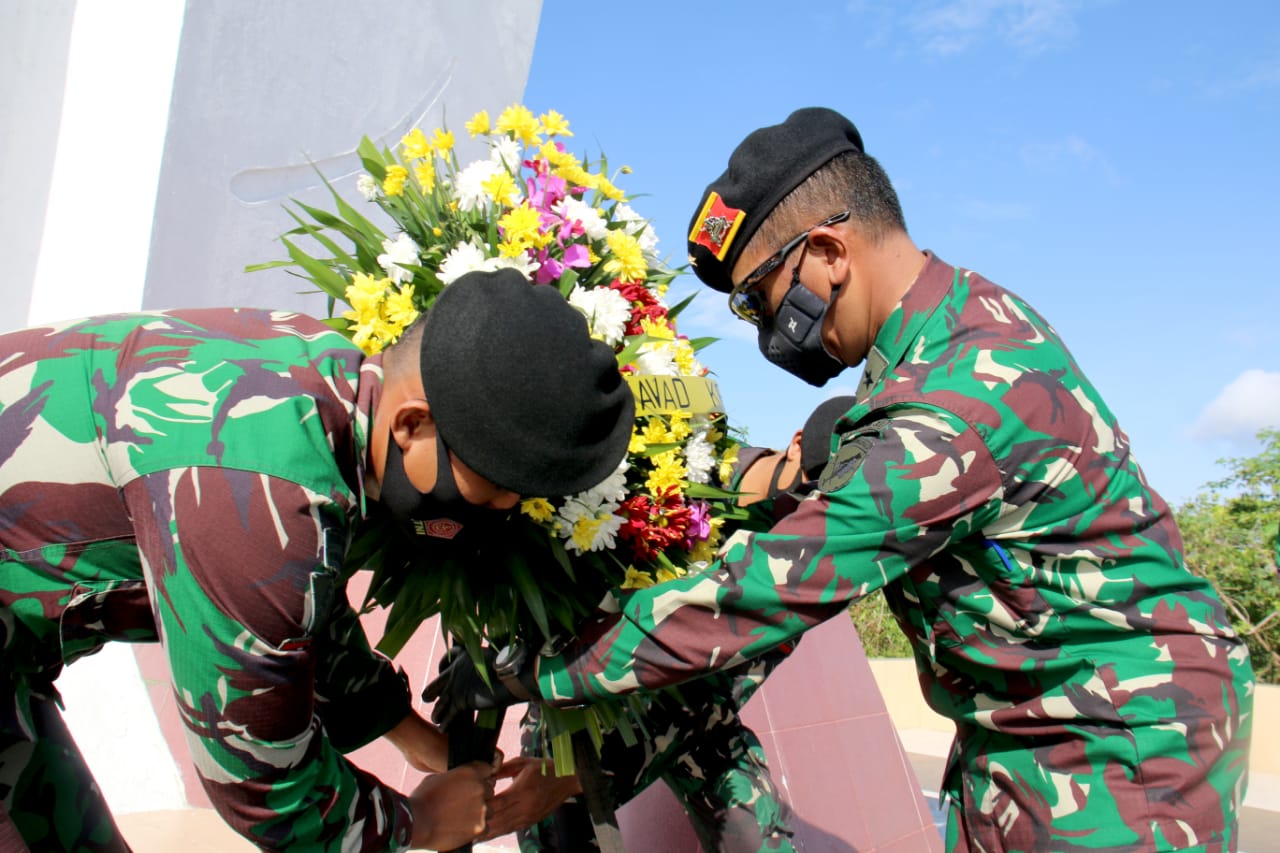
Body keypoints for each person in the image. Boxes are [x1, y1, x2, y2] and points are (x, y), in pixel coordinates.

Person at [426, 108, 1255, 852]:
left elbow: (758, 595)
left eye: (760, 299)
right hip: (1023, 735)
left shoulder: (953, 399)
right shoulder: (934, 345)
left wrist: (524, 668)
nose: (763, 331)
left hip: (1123, 753)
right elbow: (799, 513)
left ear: (827, 252)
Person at [0, 268, 634, 852]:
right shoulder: (251, 485)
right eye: (493, 484)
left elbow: (305, 609)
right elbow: (261, 785)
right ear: (413, 424)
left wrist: (414, 739)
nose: (501, 507)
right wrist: (417, 824)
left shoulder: (323, 379)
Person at [500, 396, 855, 853]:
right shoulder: (683, 469)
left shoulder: (816, 552)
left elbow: (715, 694)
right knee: (551, 828)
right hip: (583, 695)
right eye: (811, 487)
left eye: (832, 503)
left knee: (761, 842)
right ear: (797, 445)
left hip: (693, 708)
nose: (811, 509)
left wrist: (587, 780)